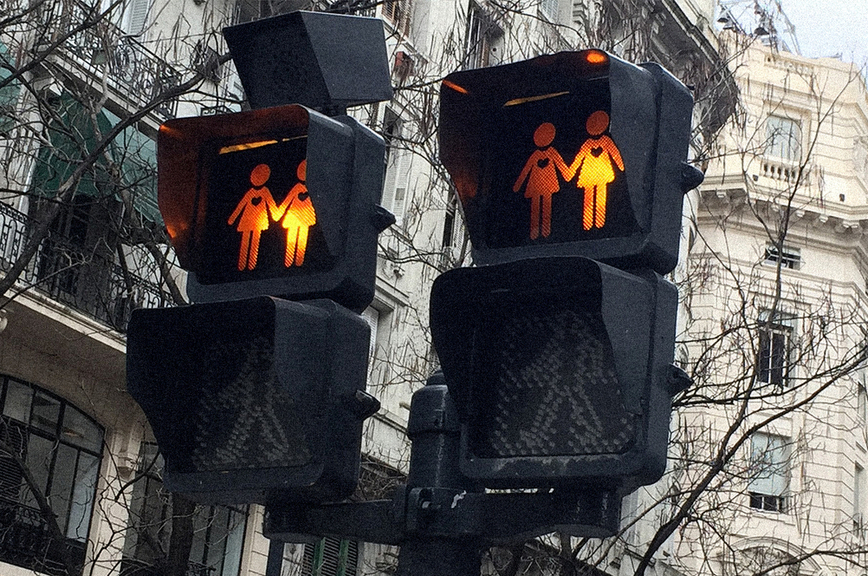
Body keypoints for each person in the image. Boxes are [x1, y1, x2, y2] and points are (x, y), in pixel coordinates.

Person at [512, 122, 571, 240]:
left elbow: (560, 164)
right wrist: (517, 185)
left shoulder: (551, 152)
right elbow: (526, 169)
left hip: (547, 184)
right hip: (536, 184)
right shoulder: (536, 155)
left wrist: (568, 174)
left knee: (546, 206)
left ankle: (545, 231)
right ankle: (535, 232)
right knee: (536, 207)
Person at [569, 110, 624, 231]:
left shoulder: (605, 141)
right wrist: (570, 172)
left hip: (599, 173)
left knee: (600, 197)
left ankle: (599, 222)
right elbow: (579, 157)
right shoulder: (588, 143)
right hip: (590, 174)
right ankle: (588, 223)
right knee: (589, 198)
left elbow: (614, 153)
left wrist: (621, 166)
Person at [227, 163, 280, 271]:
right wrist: (232, 219)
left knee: (255, 241)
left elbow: (271, 203)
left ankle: (251, 265)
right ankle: (242, 265)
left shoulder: (265, 191)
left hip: (258, 221)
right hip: (248, 219)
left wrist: (276, 214)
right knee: (245, 241)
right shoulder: (250, 192)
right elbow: (241, 205)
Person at [275, 159, 317, 267]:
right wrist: (278, 213)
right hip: (294, 216)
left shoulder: (313, 188)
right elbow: (288, 200)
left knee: (302, 238)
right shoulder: (297, 188)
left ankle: (299, 260)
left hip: (305, 217)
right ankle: (289, 261)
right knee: (291, 238)